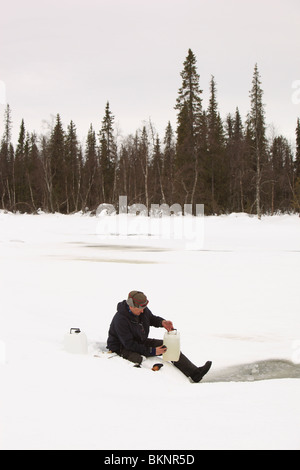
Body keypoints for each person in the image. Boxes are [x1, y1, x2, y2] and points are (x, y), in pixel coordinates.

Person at [107, 290, 212, 383]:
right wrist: (152, 351)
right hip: (121, 347)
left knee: (168, 346)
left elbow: (151, 318)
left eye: (144, 308)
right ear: (131, 306)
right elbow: (129, 344)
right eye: (140, 308)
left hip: (139, 341)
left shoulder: (142, 310)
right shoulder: (120, 319)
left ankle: (195, 373)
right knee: (137, 358)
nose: (143, 311)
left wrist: (163, 322)